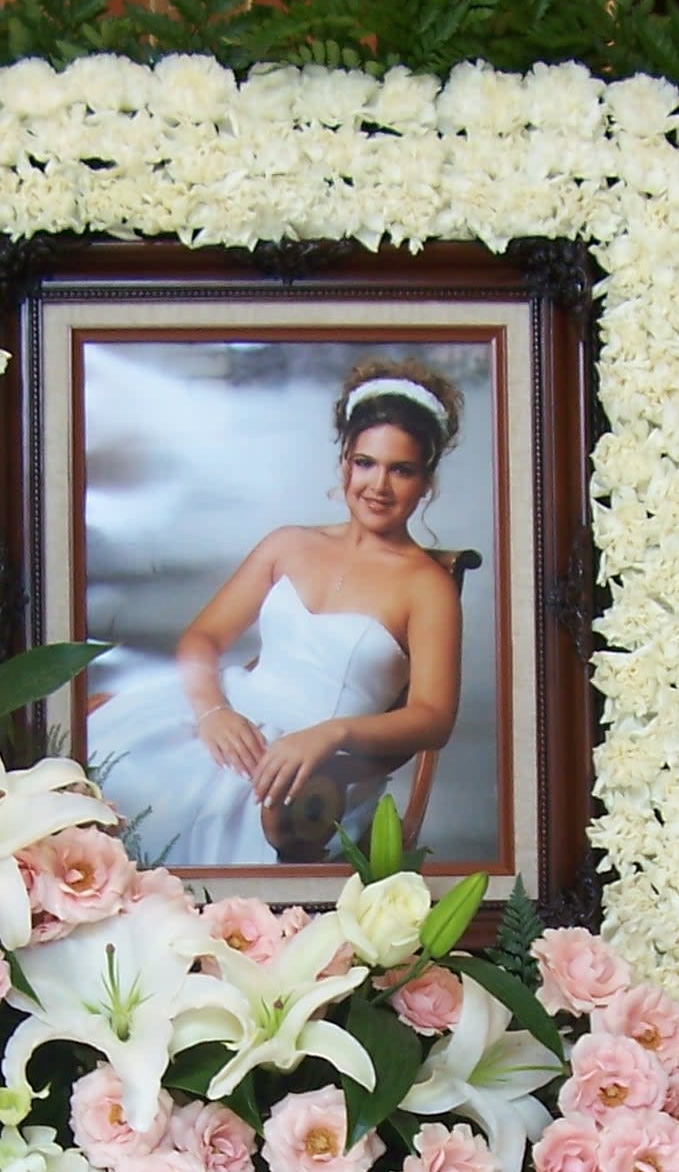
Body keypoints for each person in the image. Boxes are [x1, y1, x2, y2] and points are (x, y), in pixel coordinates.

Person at [83, 360, 465, 868]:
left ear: (426, 482)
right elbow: (203, 639)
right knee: (108, 762)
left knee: (192, 810)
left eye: (402, 470)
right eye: (365, 463)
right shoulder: (288, 544)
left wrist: (333, 733)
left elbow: (432, 719)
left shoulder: (427, 587)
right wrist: (214, 712)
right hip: (237, 715)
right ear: (344, 465)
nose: (379, 485)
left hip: (319, 769)